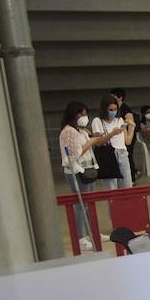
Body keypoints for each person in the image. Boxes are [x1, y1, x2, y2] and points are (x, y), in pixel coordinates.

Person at [58, 100, 111, 250]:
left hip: (88, 169)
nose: (84, 117)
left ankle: (92, 232)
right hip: (76, 171)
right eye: (81, 114)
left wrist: (92, 138)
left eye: (86, 114)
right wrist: (91, 142)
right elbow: (73, 155)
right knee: (80, 205)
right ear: (73, 115)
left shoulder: (81, 130)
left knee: (89, 203)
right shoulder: (68, 131)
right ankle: (80, 236)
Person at [90, 93, 132, 190]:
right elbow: (98, 142)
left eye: (115, 109)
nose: (113, 112)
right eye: (110, 110)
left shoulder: (119, 120)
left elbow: (127, 141)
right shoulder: (97, 121)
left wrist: (132, 127)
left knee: (127, 186)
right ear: (104, 109)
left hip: (122, 154)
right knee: (111, 187)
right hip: (108, 155)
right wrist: (112, 134)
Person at [110, 88, 139, 180]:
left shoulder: (126, 110)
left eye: (113, 96)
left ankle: (132, 178)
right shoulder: (116, 109)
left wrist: (129, 134)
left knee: (128, 156)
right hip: (119, 136)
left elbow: (131, 124)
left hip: (127, 136)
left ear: (120, 97)